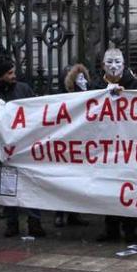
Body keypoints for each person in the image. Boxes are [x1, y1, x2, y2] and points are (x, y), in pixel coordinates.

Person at [0, 58, 46, 238]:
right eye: (9, 73)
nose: (14, 76)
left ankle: (34, 221)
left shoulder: (23, 89)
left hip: (25, 148)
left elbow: (37, 113)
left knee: (31, 183)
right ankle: (12, 223)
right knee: (8, 187)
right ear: (0, 76)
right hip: (4, 150)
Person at [93, 48, 137, 244]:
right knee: (109, 187)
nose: (114, 66)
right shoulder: (96, 85)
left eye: (118, 62)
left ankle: (130, 228)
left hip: (128, 144)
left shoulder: (134, 84)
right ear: (103, 65)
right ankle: (111, 227)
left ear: (124, 65)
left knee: (128, 187)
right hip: (106, 146)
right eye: (110, 62)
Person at [51, 63, 92, 228]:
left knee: (77, 181)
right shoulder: (60, 96)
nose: (81, 80)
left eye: (83, 77)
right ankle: (59, 213)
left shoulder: (88, 93)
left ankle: (74, 213)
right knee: (62, 180)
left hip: (80, 144)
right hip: (64, 144)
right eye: (78, 77)